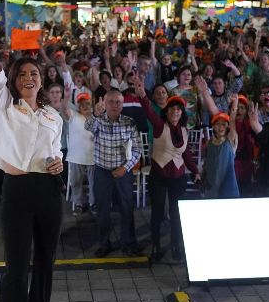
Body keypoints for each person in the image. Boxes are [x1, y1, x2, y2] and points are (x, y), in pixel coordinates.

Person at [0, 0, 64, 302]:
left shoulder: (53, 116)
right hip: (16, 191)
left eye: (35, 73)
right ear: (13, 80)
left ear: (42, 80)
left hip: (48, 191)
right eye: (23, 74)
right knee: (16, 269)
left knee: (45, 264)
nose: (29, 77)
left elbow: (55, 153)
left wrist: (59, 164)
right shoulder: (2, 102)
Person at [135, 78, 200, 262]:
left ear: (182, 112)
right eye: (172, 108)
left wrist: (195, 171)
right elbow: (148, 111)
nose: (175, 111)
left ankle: (175, 245)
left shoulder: (184, 130)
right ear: (167, 111)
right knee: (157, 213)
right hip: (159, 176)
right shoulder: (159, 125)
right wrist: (142, 95)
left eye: (178, 108)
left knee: (176, 213)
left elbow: (186, 154)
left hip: (178, 178)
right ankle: (155, 245)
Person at [85, 89, 142, 258]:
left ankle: (128, 243)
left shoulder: (129, 122)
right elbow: (87, 126)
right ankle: (104, 244)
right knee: (102, 210)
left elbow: (137, 149)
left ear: (122, 104)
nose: (115, 105)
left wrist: (125, 168)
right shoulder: (98, 120)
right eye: (111, 102)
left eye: (118, 102)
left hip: (123, 172)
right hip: (102, 172)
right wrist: (95, 113)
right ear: (105, 103)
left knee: (127, 208)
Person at [62, 90, 96, 216]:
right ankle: (78, 204)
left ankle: (93, 203)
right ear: (78, 107)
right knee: (76, 182)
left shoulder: (96, 118)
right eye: (82, 104)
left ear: (91, 104)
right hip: (76, 157)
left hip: (93, 157)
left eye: (87, 103)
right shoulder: (73, 116)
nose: (85, 106)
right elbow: (64, 108)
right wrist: (66, 97)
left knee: (94, 183)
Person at [203, 101, 240, 199]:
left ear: (228, 126)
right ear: (213, 126)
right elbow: (206, 164)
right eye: (218, 124)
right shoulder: (209, 143)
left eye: (224, 124)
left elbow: (232, 122)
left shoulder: (230, 140)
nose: (221, 127)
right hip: (211, 189)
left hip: (228, 189)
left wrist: (235, 104)